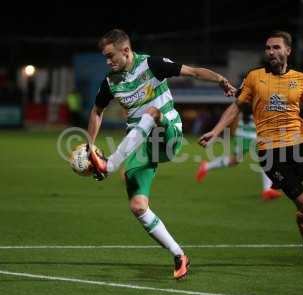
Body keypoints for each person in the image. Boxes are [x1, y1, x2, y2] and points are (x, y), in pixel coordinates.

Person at [87, 29, 236, 279]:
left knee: (153, 112)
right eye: (105, 57)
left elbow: (194, 71)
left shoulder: (151, 64)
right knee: (138, 206)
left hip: (168, 132)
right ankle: (179, 255)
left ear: (126, 51)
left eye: (110, 56)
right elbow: (96, 111)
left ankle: (109, 165)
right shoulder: (110, 82)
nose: (107, 61)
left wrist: (220, 79)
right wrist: (90, 145)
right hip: (139, 144)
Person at [199, 31, 303, 268]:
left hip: (299, 146)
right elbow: (236, 107)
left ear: (288, 51)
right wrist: (216, 130)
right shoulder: (254, 77)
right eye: (268, 48)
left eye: (276, 47)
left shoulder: (301, 79)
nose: (271, 52)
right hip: (270, 153)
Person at [196, 104, 282, 200]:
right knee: (234, 161)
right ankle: (206, 166)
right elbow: (236, 111)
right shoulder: (251, 96)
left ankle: (267, 190)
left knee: (266, 159)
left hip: (257, 134)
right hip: (245, 134)